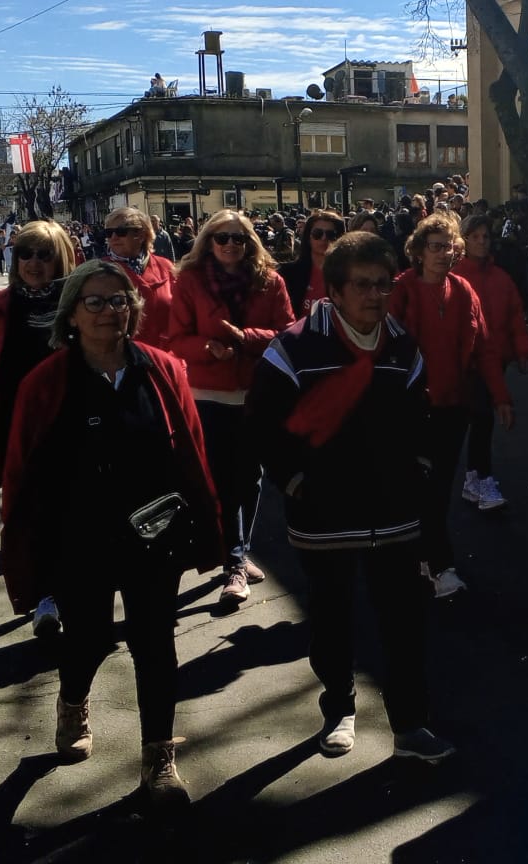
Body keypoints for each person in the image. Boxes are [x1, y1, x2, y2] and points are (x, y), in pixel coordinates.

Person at [1, 259, 221, 803]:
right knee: (89, 639)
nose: (108, 311)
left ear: (134, 309)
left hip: (155, 537)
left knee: (155, 645)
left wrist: (208, 525)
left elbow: (191, 449)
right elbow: (22, 469)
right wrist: (27, 546)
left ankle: (159, 760)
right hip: (80, 539)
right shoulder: (46, 382)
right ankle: (73, 703)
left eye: (119, 300)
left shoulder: (163, 369)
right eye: (94, 302)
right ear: (72, 314)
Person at [247, 230, 456, 762]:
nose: (375, 295)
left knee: (403, 621)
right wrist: (296, 483)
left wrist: (420, 471)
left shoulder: (402, 345)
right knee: (332, 619)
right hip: (323, 517)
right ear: (334, 291)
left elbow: (422, 416)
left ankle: (411, 725)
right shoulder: (292, 348)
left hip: (394, 515)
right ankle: (339, 709)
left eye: (383, 285)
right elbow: (264, 428)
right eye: (361, 285)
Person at [170, 209, 294, 602]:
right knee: (224, 479)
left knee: (251, 478)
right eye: (221, 238)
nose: (229, 245)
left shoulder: (270, 281)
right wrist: (207, 348)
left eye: (238, 238)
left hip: (256, 393)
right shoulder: (189, 281)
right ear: (208, 240)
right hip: (209, 393)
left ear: (250, 242)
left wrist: (245, 337)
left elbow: (287, 332)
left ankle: (239, 550)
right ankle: (235, 561)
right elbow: (177, 337)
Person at [389, 211, 514, 598]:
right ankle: (426, 559)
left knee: (439, 487)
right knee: (415, 487)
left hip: (453, 406)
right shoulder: (401, 289)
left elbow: (485, 350)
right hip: (410, 409)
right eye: (436, 246)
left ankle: (436, 562)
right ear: (419, 250)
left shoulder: (463, 291)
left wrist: (501, 397)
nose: (444, 253)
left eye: (449, 246)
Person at [0, 220, 78, 634]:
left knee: (75, 513)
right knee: (29, 515)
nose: (34, 263)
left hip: (75, 423)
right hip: (19, 429)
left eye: (44, 254)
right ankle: (45, 596)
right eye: (26, 254)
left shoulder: (80, 302)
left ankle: (75, 591)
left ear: (61, 258)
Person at [452, 214, 528, 512]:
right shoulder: (456, 276)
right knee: (481, 417)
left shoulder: (501, 278)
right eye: (475, 237)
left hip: (496, 358)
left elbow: (515, 316)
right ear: (465, 240)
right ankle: (480, 476)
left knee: (482, 421)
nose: (482, 242)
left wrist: (522, 350)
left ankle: (476, 477)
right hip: (468, 363)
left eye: (485, 237)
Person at [100, 207, 180, 353]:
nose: (114, 237)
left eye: (121, 232)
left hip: (166, 357)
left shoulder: (165, 266)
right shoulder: (99, 271)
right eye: (108, 233)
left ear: (141, 235)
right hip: (122, 359)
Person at [279, 209, 345, 315]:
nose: (324, 238)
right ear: (308, 237)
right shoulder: (288, 273)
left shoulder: (349, 275)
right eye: (317, 233)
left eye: (330, 234)